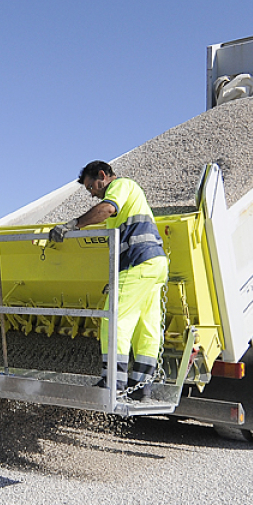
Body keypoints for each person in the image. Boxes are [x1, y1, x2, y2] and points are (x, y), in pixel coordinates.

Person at [50, 160, 167, 399]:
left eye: (91, 187)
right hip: (153, 264)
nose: (92, 194)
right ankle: (141, 387)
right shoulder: (130, 198)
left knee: (114, 321)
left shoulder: (121, 186)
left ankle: (113, 383)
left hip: (138, 262)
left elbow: (106, 209)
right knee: (147, 326)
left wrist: (74, 225)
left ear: (103, 175)